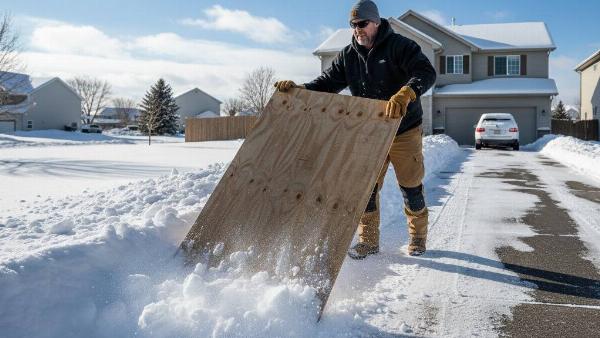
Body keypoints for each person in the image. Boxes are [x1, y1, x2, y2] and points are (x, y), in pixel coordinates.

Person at [274, 0, 436, 258]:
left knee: (410, 185)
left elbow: (426, 72)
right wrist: (301, 89)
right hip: (370, 131)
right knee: (366, 188)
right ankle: (368, 241)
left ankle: (417, 238)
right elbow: (328, 82)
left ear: (376, 22)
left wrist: (408, 92)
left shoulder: (401, 47)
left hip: (403, 130)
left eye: (362, 24)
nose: (357, 29)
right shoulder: (348, 55)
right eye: (353, 25)